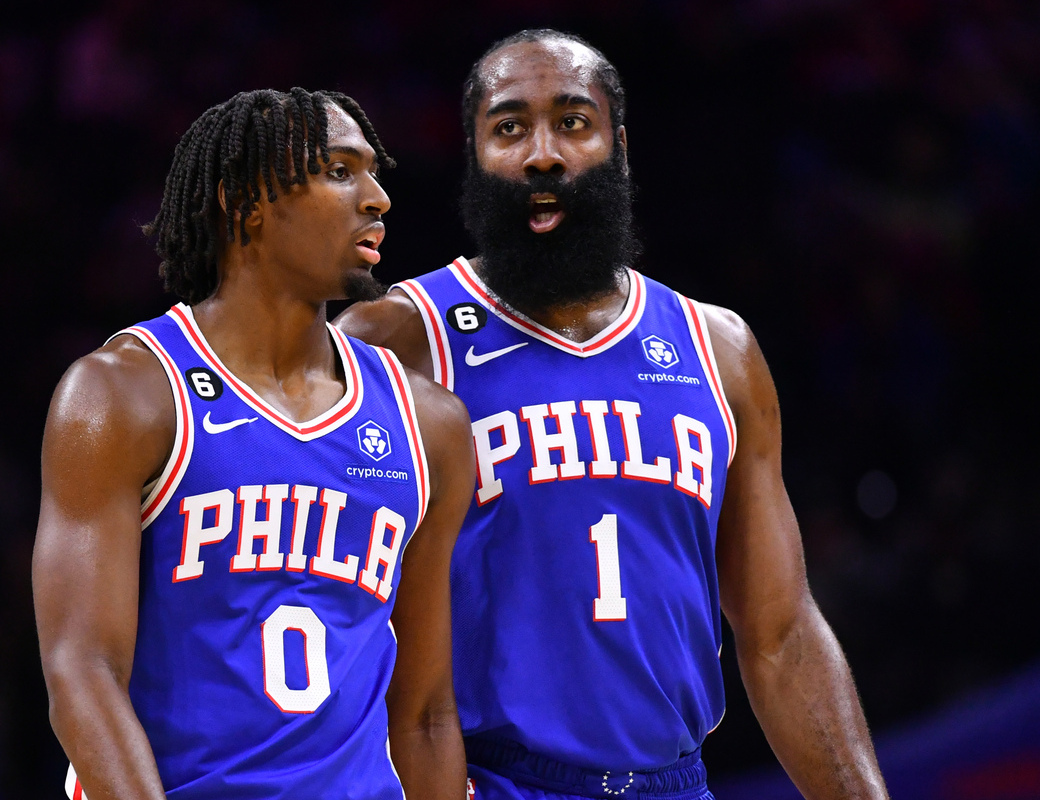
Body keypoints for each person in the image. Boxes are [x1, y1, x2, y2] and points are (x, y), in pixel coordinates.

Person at [337, 30, 889, 800]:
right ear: (475, 154)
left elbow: (781, 635)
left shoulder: (718, 350)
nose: (542, 155)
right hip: (489, 779)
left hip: (675, 781)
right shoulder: (397, 342)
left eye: (571, 122)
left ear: (617, 145)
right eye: (508, 128)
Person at [33, 88, 474, 800]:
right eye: (339, 170)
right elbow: (82, 671)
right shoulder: (125, 395)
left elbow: (424, 715)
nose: (377, 198)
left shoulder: (430, 424)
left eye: (374, 171)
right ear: (247, 202)